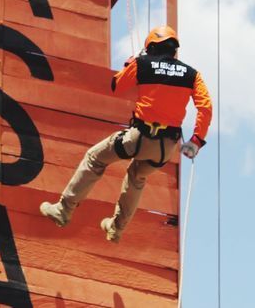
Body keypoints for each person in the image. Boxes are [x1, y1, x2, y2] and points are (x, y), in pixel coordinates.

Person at [40, 26, 212, 243]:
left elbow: (117, 85)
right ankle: (116, 229)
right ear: (175, 50)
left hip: (139, 137)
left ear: (150, 47)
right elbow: (205, 107)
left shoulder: (142, 64)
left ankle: (64, 210)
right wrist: (196, 140)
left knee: (95, 158)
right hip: (165, 149)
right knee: (137, 178)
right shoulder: (192, 74)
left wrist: (130, 63)